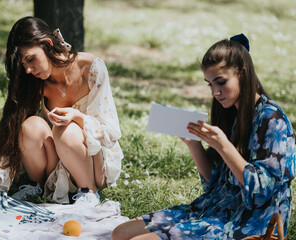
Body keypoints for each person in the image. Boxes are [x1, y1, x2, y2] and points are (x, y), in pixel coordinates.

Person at [112, 34, 295, 239]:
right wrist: (194, 145)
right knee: (120, 233)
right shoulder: (232, 115)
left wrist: (224, 146)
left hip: (249, 221)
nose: (215, 92)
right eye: (209, 84)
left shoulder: (273, 120)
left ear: (242, 73)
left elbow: (261, 194)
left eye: (221, 82)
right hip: (216, 209)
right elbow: (215, 185)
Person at [0, 16, 123, 205]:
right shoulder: (34, 82)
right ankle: (36, 186)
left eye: (31, 59)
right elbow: (12, 133)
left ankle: (88, 191)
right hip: (58, 161)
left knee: (65, 130)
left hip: (93, 163)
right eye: (23, 64)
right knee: (30, 126)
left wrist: (78, 117)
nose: (28, 70)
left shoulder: (91, 68)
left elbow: (110, 131)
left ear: (47, 44)